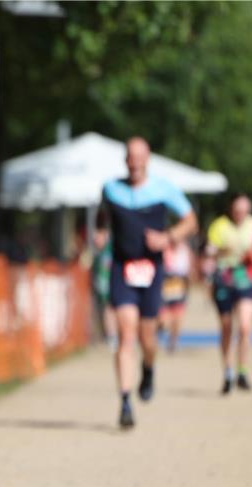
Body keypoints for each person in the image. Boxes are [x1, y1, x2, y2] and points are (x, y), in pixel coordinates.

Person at [98, 137, 198, 428]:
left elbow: (191, 221)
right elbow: (104, 219)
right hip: (122, 269)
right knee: (126, 334)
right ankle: (125, 401)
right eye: (131, 157)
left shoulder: (163, 189)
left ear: (148, 159)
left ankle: (149, 368)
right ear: (125, 160)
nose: (135, 162)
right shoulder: (111, 189)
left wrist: (168, 238)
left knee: (147, 338)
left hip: (152, 270)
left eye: (140, 157)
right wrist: (102, 233)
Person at [204, 193, 252, 394]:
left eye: (244, 211)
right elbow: (208, 251)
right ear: (231, 209)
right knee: (226, 327)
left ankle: (242, 370)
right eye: (237, 210)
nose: (241, 214)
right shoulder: (220, 226)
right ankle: (228, 372)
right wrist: (222, 250)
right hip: (224, 279)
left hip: (245, 279)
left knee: (245, 326)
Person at [159, 238, 193, 353]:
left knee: (178, 318)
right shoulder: (163, 249)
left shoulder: (185, 250)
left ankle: (173, 342)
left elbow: (190, 269)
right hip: (164, 285)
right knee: (164, 320)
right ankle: (159, 331)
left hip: (180, 285)